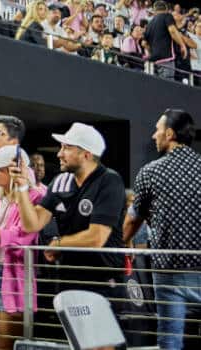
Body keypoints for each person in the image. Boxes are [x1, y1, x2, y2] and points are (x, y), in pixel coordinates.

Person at [11, 123, 127, 305]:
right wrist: (22, 187)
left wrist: (59, 244)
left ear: (86, 155)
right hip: (68, 279)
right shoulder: (60, 181)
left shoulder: (109, 180)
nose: (59, 153)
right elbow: (31, 225)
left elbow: (97, 238)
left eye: (66, 148)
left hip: (103, 281)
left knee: (100, 335)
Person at [123, 109, 201, 350]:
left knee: (169, 340)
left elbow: (133, 219)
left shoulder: (150, 172)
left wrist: (123, 242)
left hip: (168, 271)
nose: (154, 135)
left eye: (157, 129)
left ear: (169, 133)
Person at [0, 146, 42, 350]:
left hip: (14, 276)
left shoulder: (34, 197)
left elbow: (24, 237)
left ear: (13, 172)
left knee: (5, 344)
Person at [143, 1, 189, 79]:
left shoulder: (149, 24)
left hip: (153, 62)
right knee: (167, 87)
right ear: (166, 9)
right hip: (166, 60)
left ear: (154, 10)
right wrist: (182, 45)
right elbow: (172, 31)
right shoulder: (167, 16)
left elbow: (144, 43)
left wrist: (152, 53)